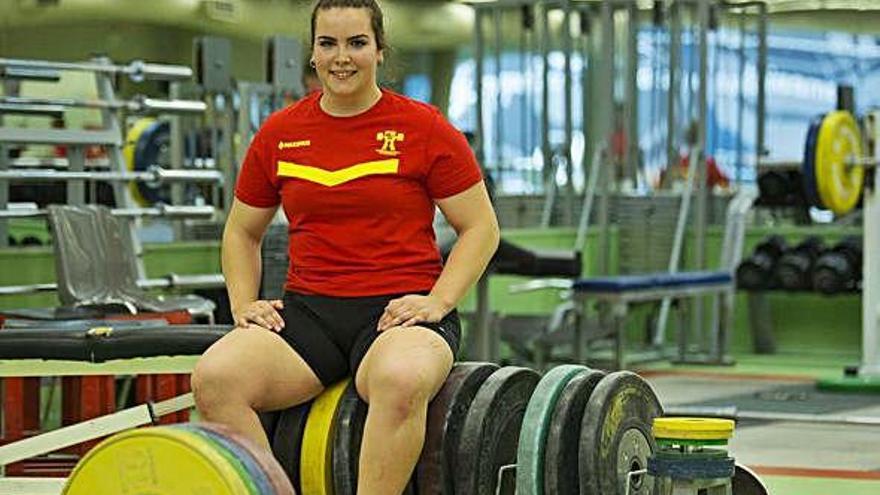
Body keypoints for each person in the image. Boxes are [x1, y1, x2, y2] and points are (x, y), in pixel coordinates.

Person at [190, 1, 500, 494]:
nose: (342, 57)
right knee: (215, 378)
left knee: (399, 380)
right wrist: (243, 303)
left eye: (357, 43)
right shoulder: (280, 133)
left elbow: (481, 227)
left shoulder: (423, 127)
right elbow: (241, 231)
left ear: (380, 51)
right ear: (312, 55)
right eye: (327, 43)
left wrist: (438, 301)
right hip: (310, 315)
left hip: (399, 312)